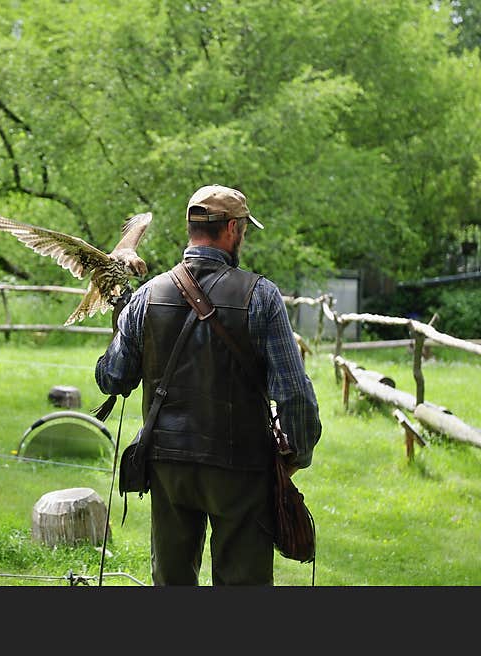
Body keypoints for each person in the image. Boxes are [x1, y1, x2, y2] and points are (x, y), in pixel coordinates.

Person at [95, 184, 321, 586]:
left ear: (191, 228)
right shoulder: (262, 296)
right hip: (242, 468)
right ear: (233, 228)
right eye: (245, 230)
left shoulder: (146, 295)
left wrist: (121, 319)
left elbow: (110, 377)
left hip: (167, 465)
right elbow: (295, 396)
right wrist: (295, 457)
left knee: (172, 583)